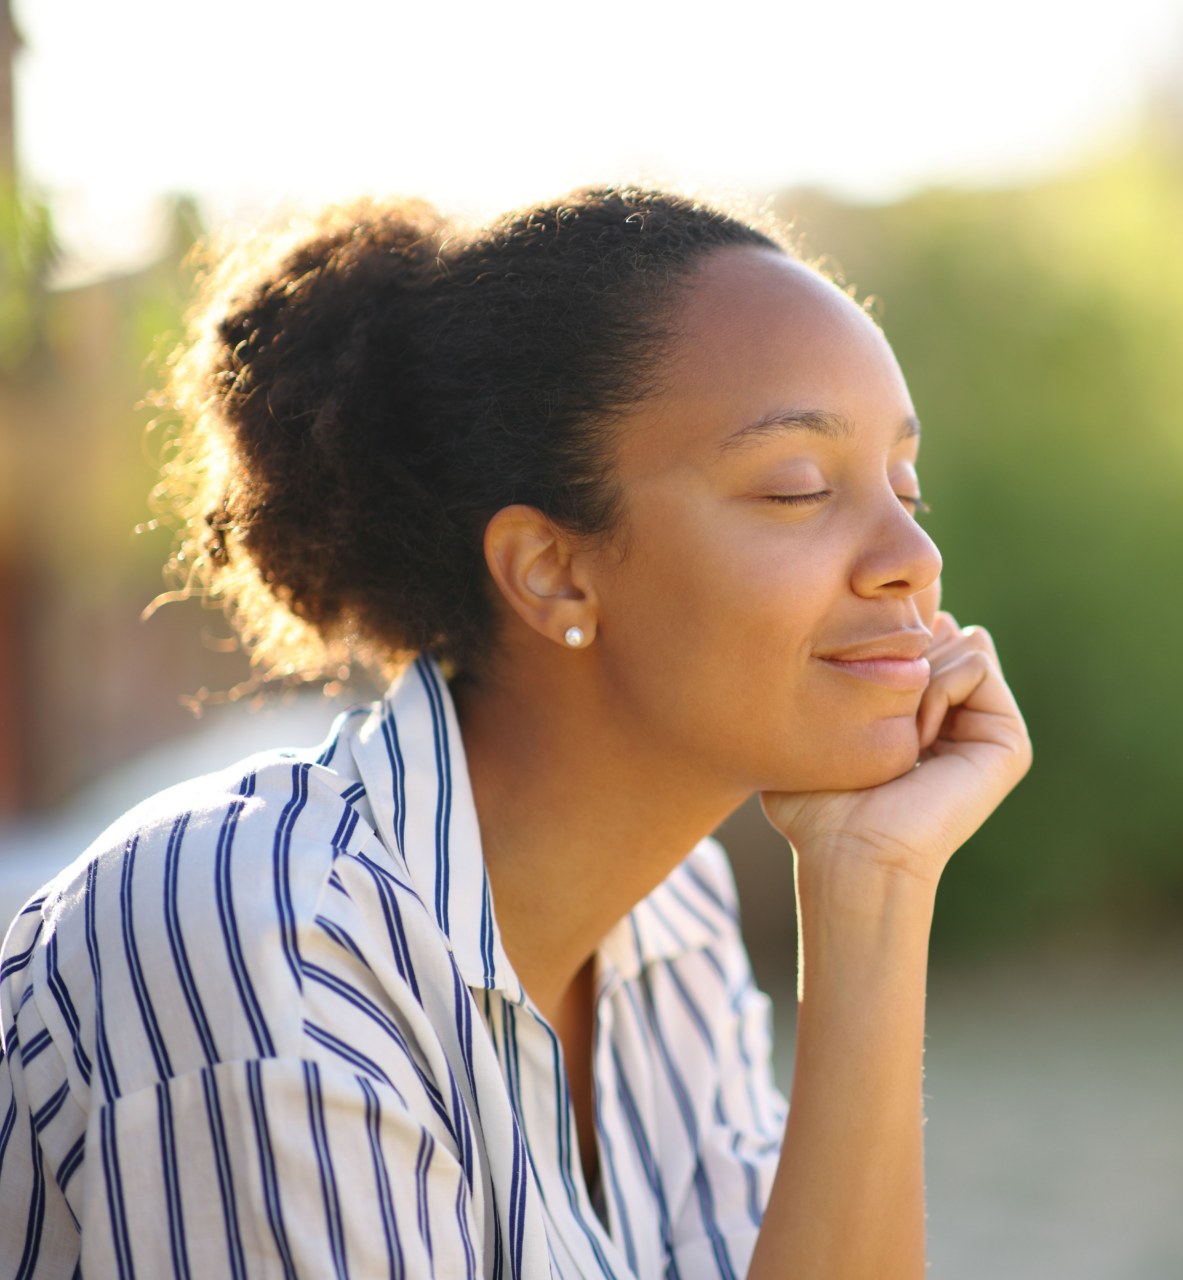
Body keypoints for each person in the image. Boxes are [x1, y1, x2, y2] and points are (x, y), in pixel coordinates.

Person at [0, 189, 1031, 1279]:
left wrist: (873, 882)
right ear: (550, 568)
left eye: (902, 486)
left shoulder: (675, 928)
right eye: (798, 487)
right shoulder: (262, 930)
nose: (911, 555)